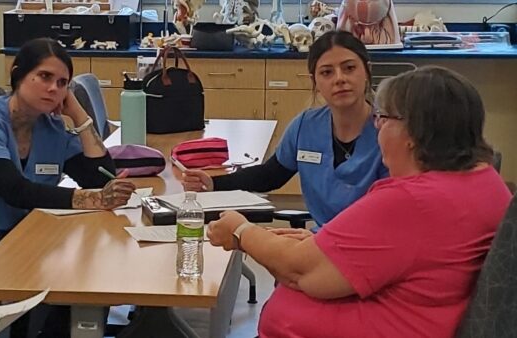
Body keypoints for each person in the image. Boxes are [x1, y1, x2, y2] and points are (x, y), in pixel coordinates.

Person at [207, 65, 512, 337]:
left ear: (413, 133)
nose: (377, 127)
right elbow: (404, 257)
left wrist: (242, 231)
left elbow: (301, 271)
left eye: (384, 118)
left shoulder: (410, 201)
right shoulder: (485, 182)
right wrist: (324, 245)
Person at [0, 37, 136, 280]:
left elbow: (99, 179)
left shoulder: (51, 127)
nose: (53, 89)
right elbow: (16, 191)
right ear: (18, 75)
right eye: (45, 77)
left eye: (62, 83)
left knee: (84, 266)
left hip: (21, 235)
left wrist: (79, 115)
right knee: (44, 274)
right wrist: (97, 199)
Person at [182, 30, 388, 229]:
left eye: (349, 68)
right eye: (327, 72)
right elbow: (271, 175)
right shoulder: (306, 126)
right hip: (322, 241)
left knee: (248, 238)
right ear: (314, 81)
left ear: (367, 71)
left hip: (373, 243)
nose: (339, 79)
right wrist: (213, 183)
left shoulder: (389, 131)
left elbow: (399, 207)